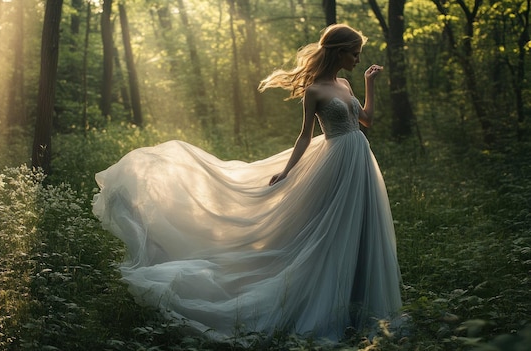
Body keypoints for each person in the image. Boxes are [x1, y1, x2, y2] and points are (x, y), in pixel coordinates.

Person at [92, 23, 402, 343]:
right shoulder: (314, 91)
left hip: (360, 161)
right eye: (354, 53)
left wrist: (369, 84)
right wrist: (287, 172)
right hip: (335, 164)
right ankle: (327, 307)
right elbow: (304, 137)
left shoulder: (347, 83)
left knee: (364, 229)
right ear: (339, 52)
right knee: (332, 233)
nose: (357, 59)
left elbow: (366, 120)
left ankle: (360, 308)